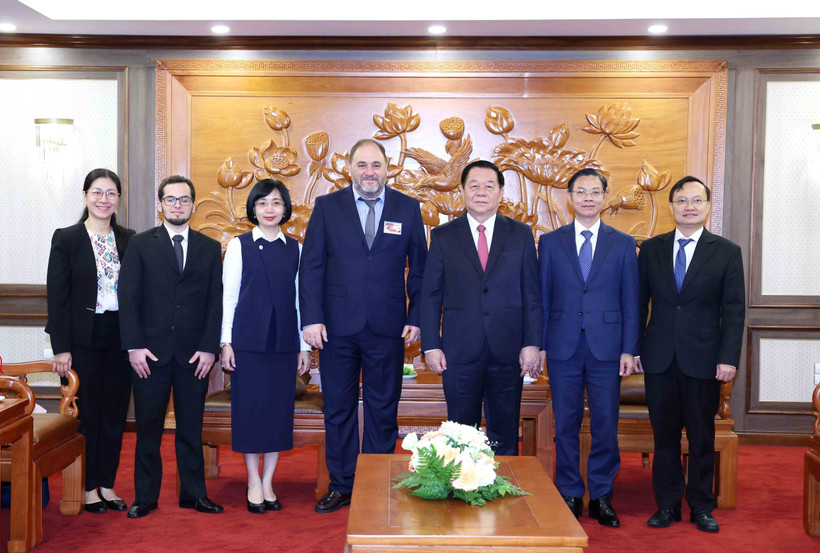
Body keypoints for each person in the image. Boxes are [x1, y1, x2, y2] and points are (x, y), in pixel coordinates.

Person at [299, 138, 427, 513]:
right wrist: (311, 318)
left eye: (376, 165)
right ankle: (342, 484)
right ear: (349, 168)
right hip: (335, 328)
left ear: (388, 168)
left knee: (383, 408)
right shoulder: (327, 207)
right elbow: (312, 267)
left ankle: (375, 482)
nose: (369, 172)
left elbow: (419, 270)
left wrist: (416, 317)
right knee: (338, 408)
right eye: (361, 165)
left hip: (388, 327)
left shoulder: (408, 207)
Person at [637, 176, 745, 533]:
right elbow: (638, 304)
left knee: (702, 437)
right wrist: (635, 348)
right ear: (671, 207)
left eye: (697, 201)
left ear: (708, 206)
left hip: (705, 358)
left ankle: (701, 505)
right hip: (659, 357)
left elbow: (733, 310)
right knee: (664, 437)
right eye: (682, 201)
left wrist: (728, 358)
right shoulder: (652, 249)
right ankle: (667, 505)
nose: (689, 207)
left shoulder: (727, 251)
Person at [538, 168, 639, 527]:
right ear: (570, 197)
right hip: (562, 346)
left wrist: (630, 348)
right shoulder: (550, 242)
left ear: (605, 197)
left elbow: (632, 300)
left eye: (595, 191)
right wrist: (540, 346)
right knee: (564, 423)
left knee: (605, 424)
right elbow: (543, 299)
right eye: (581, 191)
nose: (588, 198)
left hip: (607, 348)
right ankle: (568, 492)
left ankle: (601, 496)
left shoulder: (623, 243)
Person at [119, 175, 223, 518]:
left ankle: (194, 494)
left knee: (191, 429)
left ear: (193, 204)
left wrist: (210, 348)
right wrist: (134, 346)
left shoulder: (209, 247)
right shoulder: (140, 244)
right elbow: (128, 297)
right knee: (147, 429)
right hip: (149, 354)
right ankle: (145, 497)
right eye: (170, 199)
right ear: (160, 204)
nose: (177, 205)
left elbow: (214, 302)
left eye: (184, 199)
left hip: (195, 356)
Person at [420, 160, 541, 454]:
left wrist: (532, 344)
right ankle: (464, 489)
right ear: (462, 191)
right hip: (459, 350)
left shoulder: (521, 234)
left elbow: (532, 294)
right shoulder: (444, 235)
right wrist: (431, 345)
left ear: (501, 192)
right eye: (474, 185)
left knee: (505, 429)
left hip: (508, 349)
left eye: (489, 186)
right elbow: (431, 295)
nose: (481, 192)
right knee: (461, 432)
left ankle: (503, 491)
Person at [219, 179, 311, 513]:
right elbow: (228, 297)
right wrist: (225, 342)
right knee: (251, 412)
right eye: (262, 203)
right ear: (253, 209)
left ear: (285, 208)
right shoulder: (240, 245)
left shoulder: (296, 248)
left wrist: (303, 346)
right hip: (248, 344)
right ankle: (252, 480)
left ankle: (268, 480)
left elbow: (302, 300)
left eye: (276, 203)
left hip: (284, 344)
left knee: (276, 414)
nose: (269, 209)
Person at [45, 168, 134, 513]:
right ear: (85, 196)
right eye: (97, 192)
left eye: (111, 193)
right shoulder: (67, 238)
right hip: (82, 339)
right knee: (87, 414)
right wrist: (61, 348)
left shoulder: (128, 239)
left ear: (118, 200)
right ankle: (85, 487)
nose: (104, 199)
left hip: (120, 336)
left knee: (114, 414)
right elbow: (58, 296)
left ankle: (107, 485)